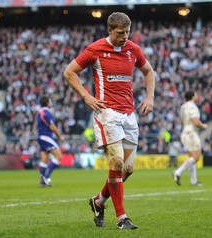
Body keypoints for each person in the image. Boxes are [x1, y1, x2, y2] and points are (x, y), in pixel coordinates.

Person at [64, 12, 155, 229]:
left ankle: (98, 201)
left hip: (129, 115)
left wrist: (150, 97)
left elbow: (149, 71)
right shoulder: (95, 49)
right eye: (121, 33)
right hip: (108, 114)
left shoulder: (133, 49)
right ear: (110, 30)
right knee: (116, 163)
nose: (125, 37)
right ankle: (121, 218)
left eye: (127, 32)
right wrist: (87, 96)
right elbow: (69, 72)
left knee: (127, 170)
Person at [172, 91, 208, 186]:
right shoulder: (193, 107)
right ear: (193, 96)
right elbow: (195, 121)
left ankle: (194, 181)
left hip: (185, 132)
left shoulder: (183, 107)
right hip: (191, 133)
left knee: (192, 157)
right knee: (196, 157)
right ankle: (178, 172)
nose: (197, 96)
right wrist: (203, 126)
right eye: (196, 94)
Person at [35, 96, 64, 187]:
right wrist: (59, 136)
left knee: (44, 158)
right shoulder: (46, 112)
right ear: (47, 103)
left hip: (40, 136)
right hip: (46, 136)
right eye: (50, 101)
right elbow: (51, 126)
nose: (51, 103)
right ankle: (47, 176)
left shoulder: (39, 112)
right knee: (58, 156)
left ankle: (42, 180)